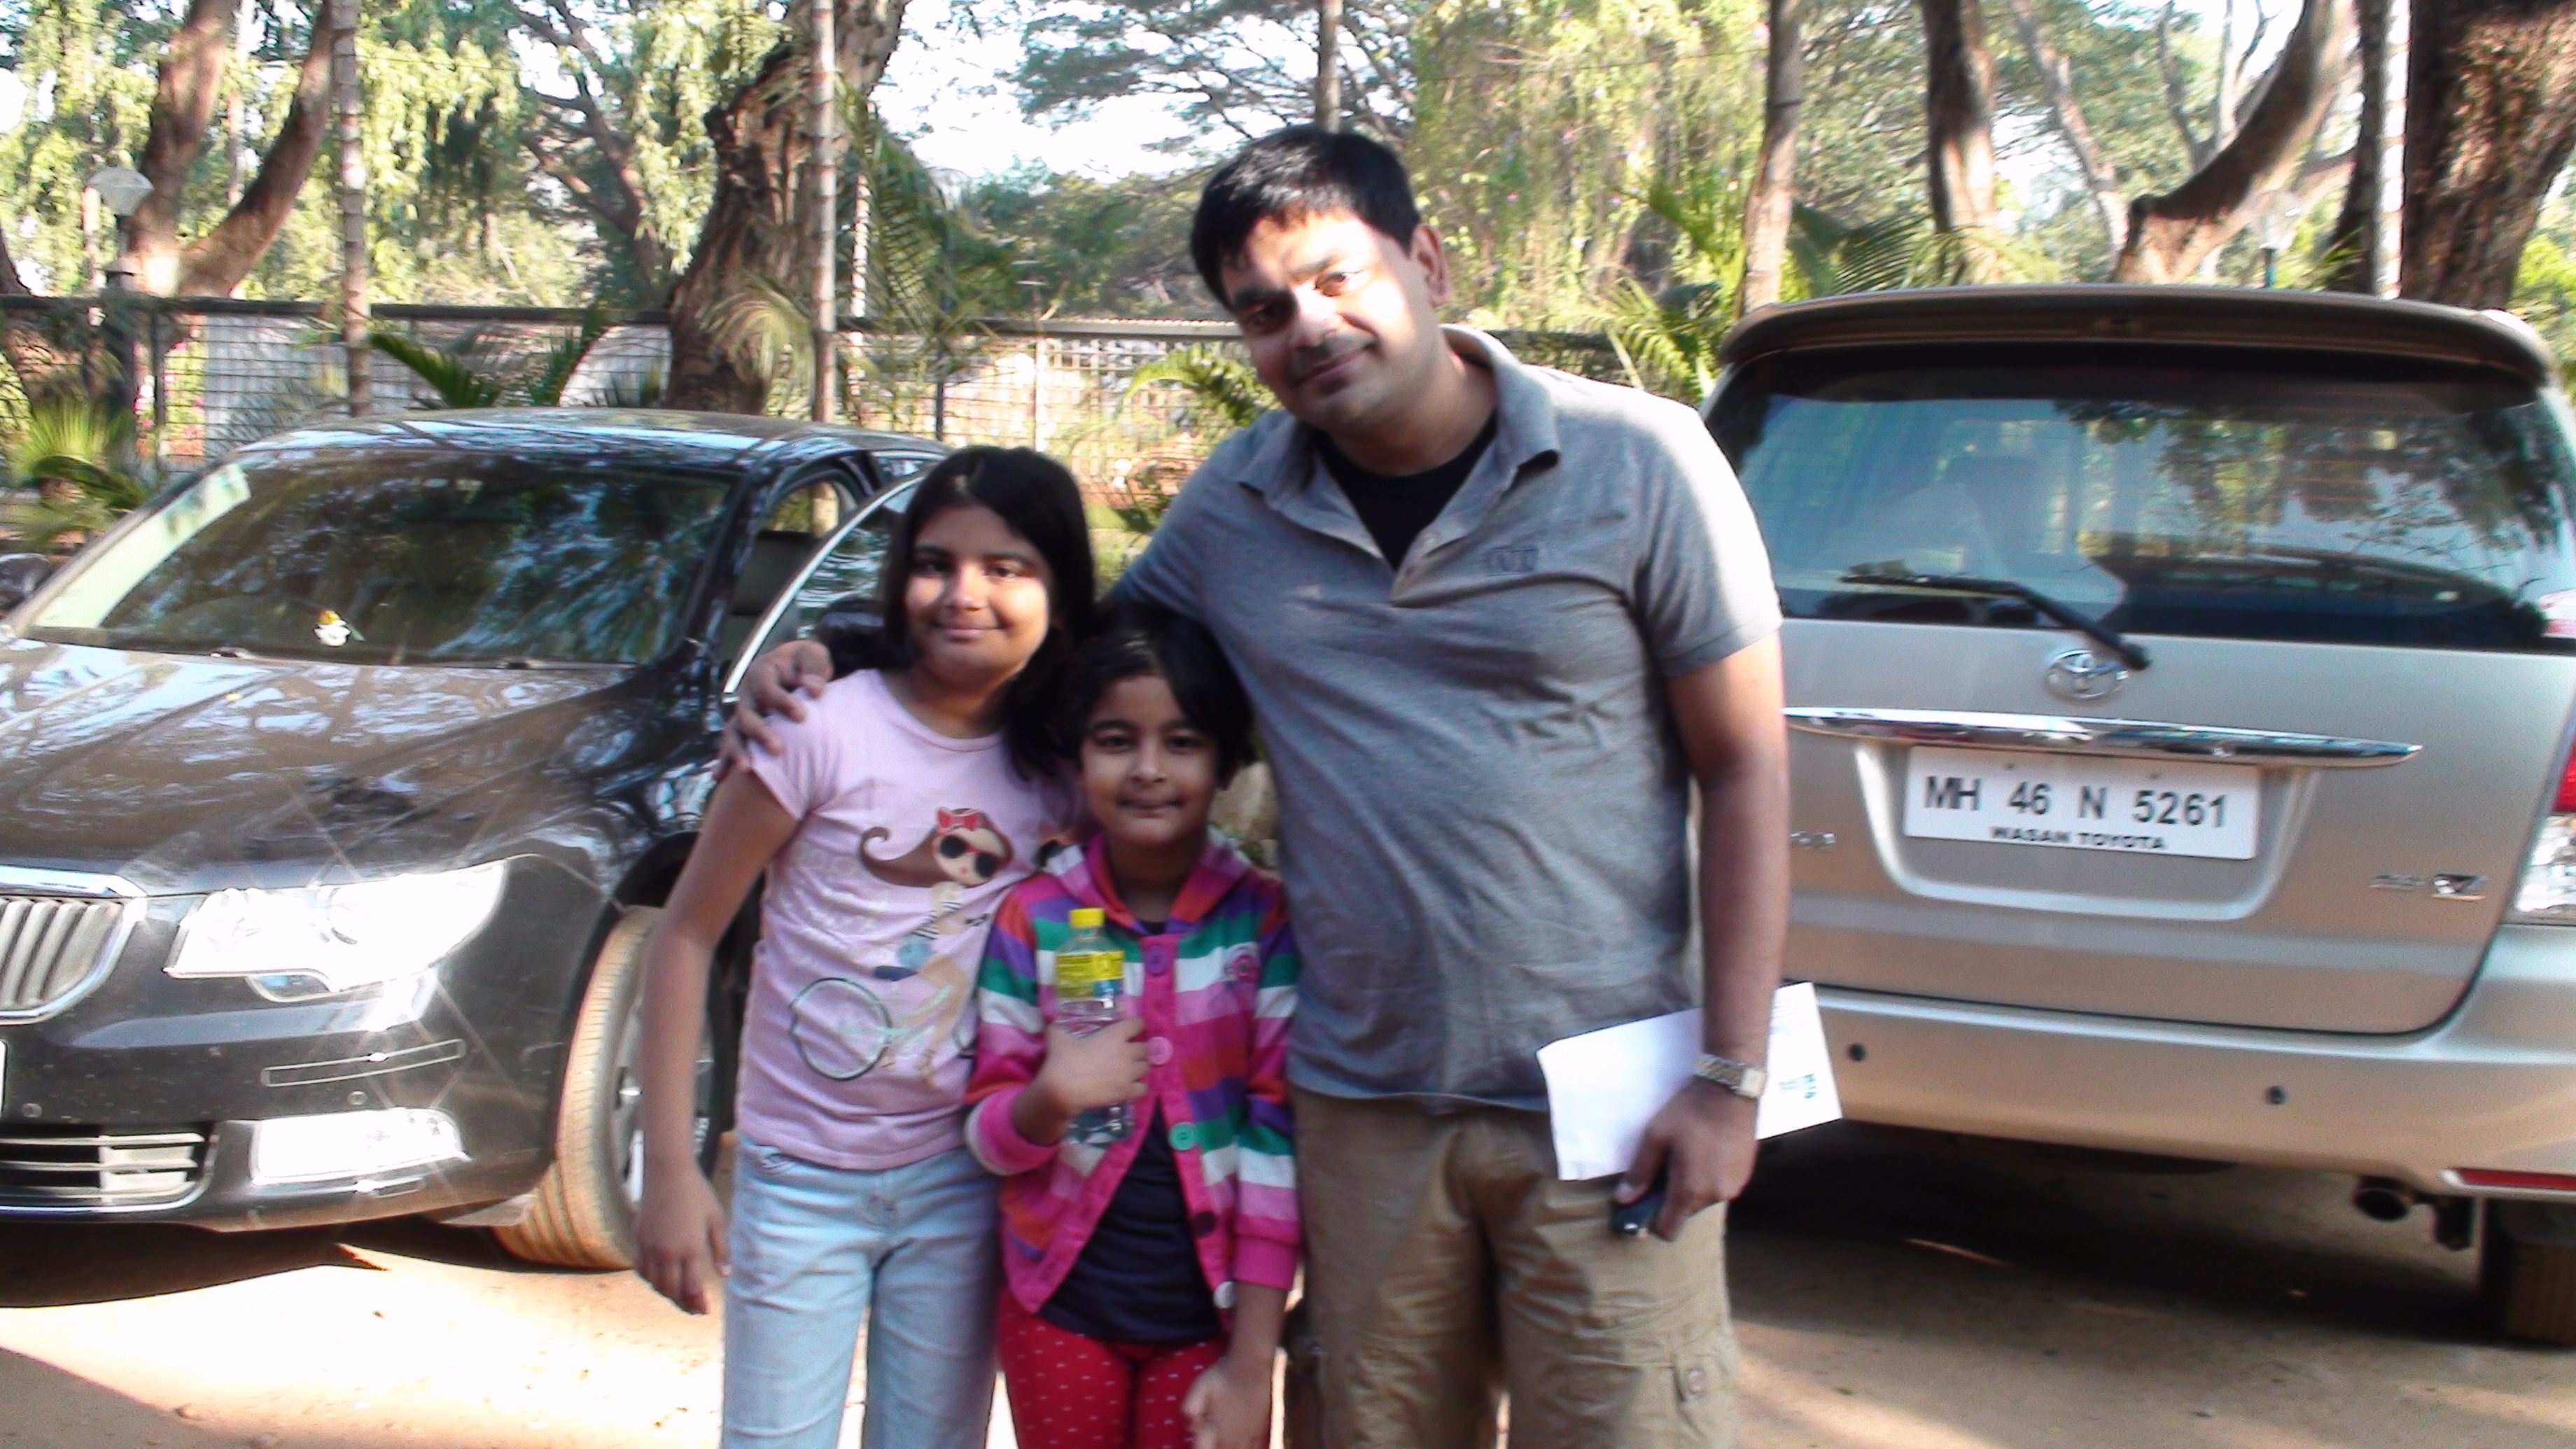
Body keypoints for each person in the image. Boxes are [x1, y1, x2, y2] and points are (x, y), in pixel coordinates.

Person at [734, 126, 1788, 1448]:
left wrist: (1729, 1079)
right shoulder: (1240, 503)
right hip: (1360, 1106)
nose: (1311, 327)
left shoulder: (1640, 459)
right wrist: (846, 646)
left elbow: (1748, 768)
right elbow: (1072, 654)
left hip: (1606, 1098)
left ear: (1427, 260)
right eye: (1265, 310)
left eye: (1340, 278)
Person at [632, 447, 1096, 1449]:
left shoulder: (1063, 768)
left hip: (964, 1179)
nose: (963, 593)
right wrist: (667, 1167)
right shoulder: (813, 729)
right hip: (798, 1176)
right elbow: (686, 933)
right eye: (934, 563)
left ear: (1060, 588)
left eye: (1007, 568)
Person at [963, 603, 1299, 1449]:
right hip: (1058, 1312)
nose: (1148, 769)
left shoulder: (1264, 925)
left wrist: (1251, 1363)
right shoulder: (1033, 919)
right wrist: (1048, 1099)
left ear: (1227, 762)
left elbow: (1277, 1146)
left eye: (1181, 742)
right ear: (1078, 754)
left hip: (1213, 1326)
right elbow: (986, 1136)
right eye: (1116, 741)